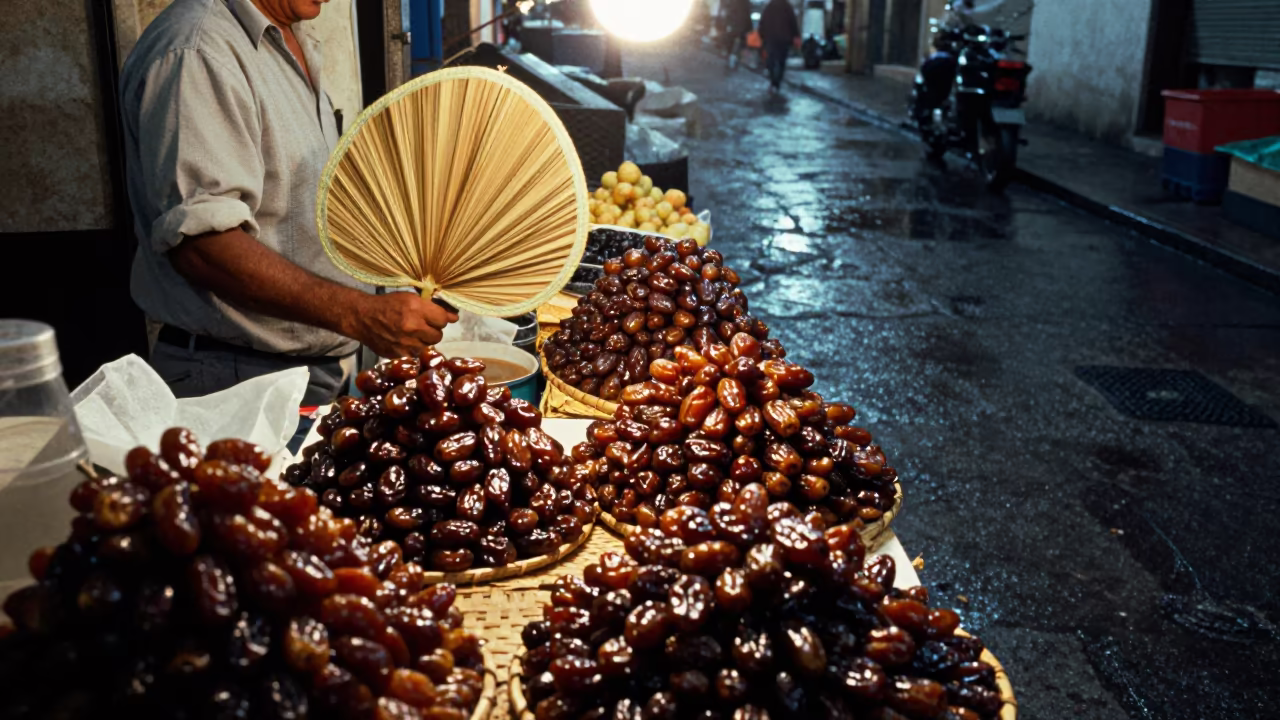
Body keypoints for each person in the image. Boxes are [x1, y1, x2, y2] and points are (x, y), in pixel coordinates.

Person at [119, 0, 458, 406]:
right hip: (236, 379)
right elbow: (203, 248)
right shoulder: (199, 52)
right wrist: (360, 314)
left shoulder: (289, 38)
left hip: (310, 370)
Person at [759, 0, 800, 91]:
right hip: (784, 39)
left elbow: (763, 21)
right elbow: (793, 22)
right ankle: (777, 81)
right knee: (781, 61)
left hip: (772, 38)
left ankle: (774, 80)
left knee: (771, 60)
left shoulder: (770, 6)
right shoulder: (787, 6)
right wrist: (795, 35)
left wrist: (762, 35)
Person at [723, 0, 754, 69]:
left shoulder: (735, 2)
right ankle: (735, 58)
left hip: (735, 26)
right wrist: (750, 28)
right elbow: (747, 16)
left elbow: (730, 13)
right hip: (741, 27)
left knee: (732, 42)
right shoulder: (746, 3)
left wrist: (727, 23)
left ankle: (730, 56)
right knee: (740, 43)